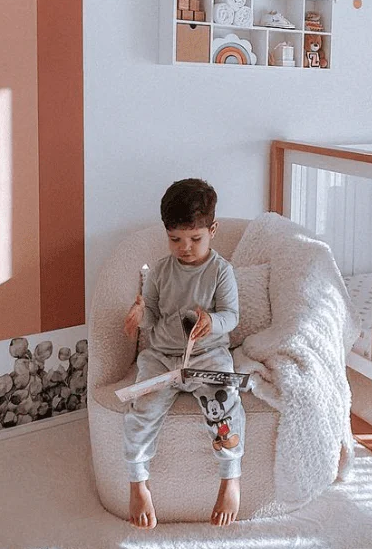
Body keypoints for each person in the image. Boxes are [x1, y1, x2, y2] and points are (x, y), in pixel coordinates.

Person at [122, 178, 244, 528]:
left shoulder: (221, 271)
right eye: (175, 239)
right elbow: (152, 315)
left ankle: (230, 477)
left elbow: (232, 316)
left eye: (195, 239)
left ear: (212, 231)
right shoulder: (160, 271)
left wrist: (212, 321)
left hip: (207, 356)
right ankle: (138, 482)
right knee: (141, 409)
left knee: (225, 405)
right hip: (162, 356)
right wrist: (139, 315)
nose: (185, 248)